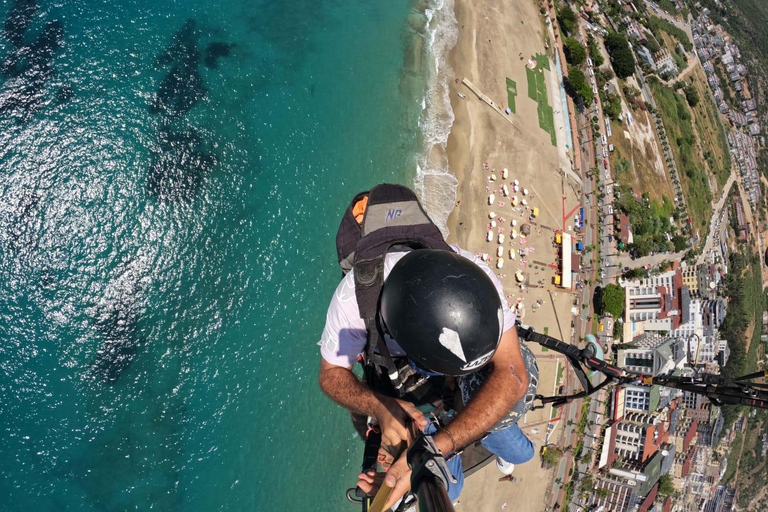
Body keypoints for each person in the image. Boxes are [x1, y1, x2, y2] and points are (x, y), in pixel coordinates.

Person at [318, 247, 539, 510]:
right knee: (454, 486)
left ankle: (483, 427)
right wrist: (380, 406)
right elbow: (331, 374)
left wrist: (441, 446)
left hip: (455, 379)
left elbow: (513, 375)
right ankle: (480, 430)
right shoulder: (352, 302)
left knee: (523, 454)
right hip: (407, 390)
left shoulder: (480, 284)